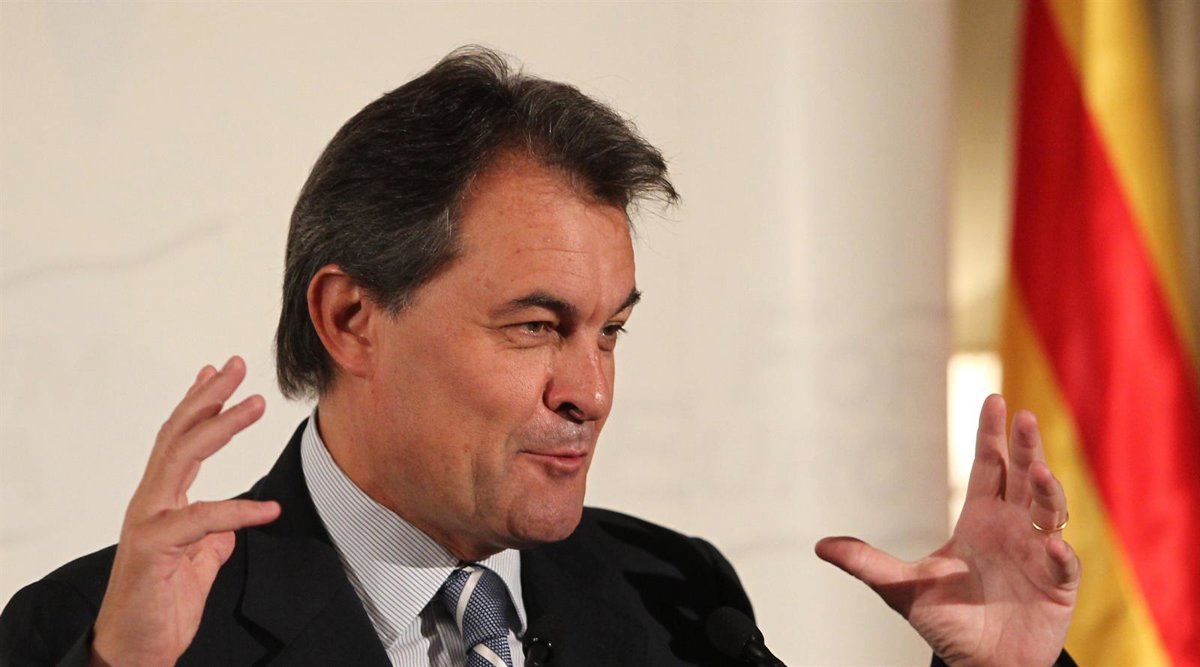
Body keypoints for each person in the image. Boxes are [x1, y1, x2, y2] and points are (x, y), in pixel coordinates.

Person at [0, 47, 1079, 666]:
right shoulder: (101, 631)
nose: (591, 390)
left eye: (610, 330)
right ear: (352, 319)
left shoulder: (676, 601)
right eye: (536, 326)